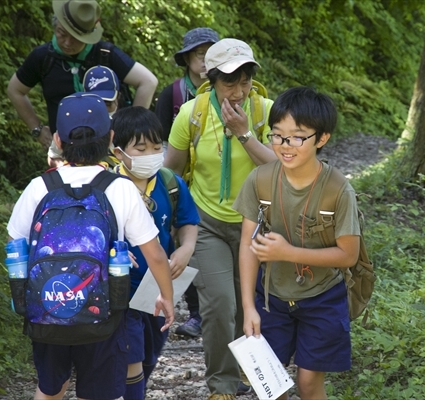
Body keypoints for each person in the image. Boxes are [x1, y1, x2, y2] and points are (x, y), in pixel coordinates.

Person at [6, 93, 174, 400]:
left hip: (47, 313)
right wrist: (166, 296)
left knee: (49, 389)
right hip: (105, 317)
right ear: (111, 139)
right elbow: (155, 255)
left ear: (58, 139)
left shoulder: (38, 187)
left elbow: (16, 246)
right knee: (98, 392)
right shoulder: (119, 188)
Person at [164, 38, 276, 400]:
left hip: (256, 223)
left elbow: (281, 169)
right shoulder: (191, 114)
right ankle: (223, 386)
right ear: (209, 78)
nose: (239, 90)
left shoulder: (265, 112)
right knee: (220, 305)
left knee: (254, 303)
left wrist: (245, 134)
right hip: (206, 222)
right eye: (230, 81)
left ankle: (254, 369)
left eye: (245, 80)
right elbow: (171, 174)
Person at [233, 87, 360, 400]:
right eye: (277, 135)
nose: (285, 146)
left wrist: (287, 252)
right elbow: (248, 247)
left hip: (323, 298)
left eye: (297, 137)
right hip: (272, 298)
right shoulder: (260, 180)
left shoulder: (337, 189)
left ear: (322, 138)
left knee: (307, 383)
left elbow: (348, 255)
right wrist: (249, 307)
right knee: (272, 389)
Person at [111, 106, 199, 399]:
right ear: (118, 151)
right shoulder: (108, 187)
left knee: (151, 354)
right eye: (141, 148)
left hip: (159, 289)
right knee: (130, 355)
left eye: (156, 146)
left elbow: (187, 222)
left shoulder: (170, 184)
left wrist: (186, 248)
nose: (151, 153)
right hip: (121, 290)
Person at [7, 0, 158, 159]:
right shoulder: (43, 57)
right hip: (65, 153)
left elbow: (148, 82)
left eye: (75, 38)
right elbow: (15, 90)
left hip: (109, 152)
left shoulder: (104, 54)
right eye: (61, 33)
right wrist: (37, 129)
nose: (67, 43)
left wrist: (131, 131)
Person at [155, 27, 220, 338]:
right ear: (187, 60)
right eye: (199, 54)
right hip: (182, 181)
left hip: (215, 181)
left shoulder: (231, 91)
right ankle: (195, 313)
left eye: (211, 54)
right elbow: (158, 140)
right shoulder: (173, 95)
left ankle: (217, 310)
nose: (205, 61)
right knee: (186, 246)